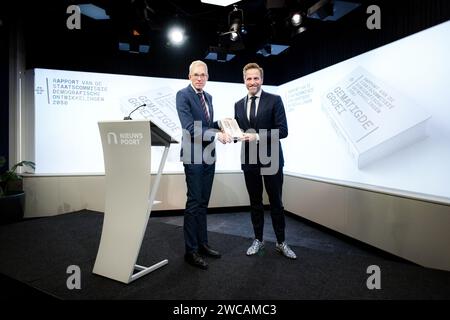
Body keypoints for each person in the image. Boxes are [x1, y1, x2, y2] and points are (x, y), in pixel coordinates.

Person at [234, 62, 297, 259]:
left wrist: (258, 136)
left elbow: (283, 131)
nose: (252, 82)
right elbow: (241, 131)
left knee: (276, 202)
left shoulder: (274, 100)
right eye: (248, 78)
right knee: (255, 202)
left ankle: (281, 242)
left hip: (271, 159)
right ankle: (258, 240)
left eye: (256, 78)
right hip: (249, 159)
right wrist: (233, 134)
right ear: (244, 80)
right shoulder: (238, 104)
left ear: (261, 79)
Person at [176, 60, 231, 270]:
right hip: (193, 155)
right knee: (194, 202)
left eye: (204, 75)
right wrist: (218, 134)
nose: (200, 78)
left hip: (209, 155)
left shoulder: (208, 97)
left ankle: (202, 244)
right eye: (196, 75)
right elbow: (190, 128)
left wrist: (222, 124)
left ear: (207, 77)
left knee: (204, 202)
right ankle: (190, 251)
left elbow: (207, 125)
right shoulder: (183, 95)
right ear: (189, 76)